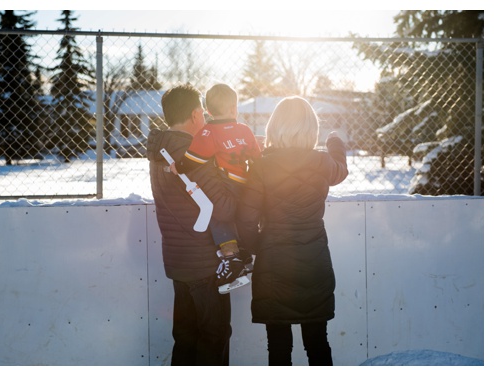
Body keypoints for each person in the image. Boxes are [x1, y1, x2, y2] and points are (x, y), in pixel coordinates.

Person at [236, 96, 348, 366]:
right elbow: (340, 171)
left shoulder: (262, 166)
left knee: (278, 346)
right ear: (311, 129)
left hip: (274, 264)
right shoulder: (321, 162)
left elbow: (246, 219)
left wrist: (254, 249)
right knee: (318, 342)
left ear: (275, 127)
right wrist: (335, 143)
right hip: (314, 262)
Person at [146, 83, 240, 365]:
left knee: (186, 338)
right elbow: (223, 207)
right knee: (215, 336)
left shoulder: (159, 151)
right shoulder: (192, 153)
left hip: (178, 261)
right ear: (197, 114)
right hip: (205, 264)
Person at [171, 83, 260, 281]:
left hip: (226, 183)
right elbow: (257, 158)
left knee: (217, 214)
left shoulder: (208, 131)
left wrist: (179, 166)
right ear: (234, 109)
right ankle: (244, 256)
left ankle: (231, 258)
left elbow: (195, 158)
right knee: (239, 216)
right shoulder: (244, 130)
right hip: (246, 183)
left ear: (208, 111)